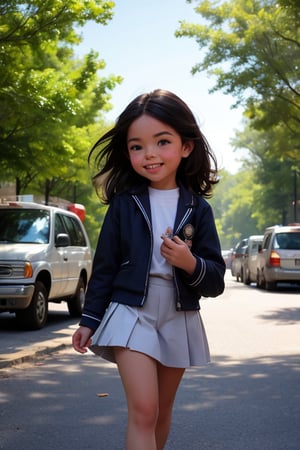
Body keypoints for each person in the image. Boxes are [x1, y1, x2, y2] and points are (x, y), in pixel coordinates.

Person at [72, 89, 226, 450]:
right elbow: (105, 267)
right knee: (144, 409)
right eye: (137, 146)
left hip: (179, 313)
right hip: (131, 312)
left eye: (162, 141)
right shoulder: (124, 204)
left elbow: (216, 279)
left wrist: (189, 263)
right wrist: (89, 320)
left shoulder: (197, 209)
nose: (149, 154)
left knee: (161, 412)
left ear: (186, 147)